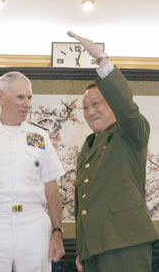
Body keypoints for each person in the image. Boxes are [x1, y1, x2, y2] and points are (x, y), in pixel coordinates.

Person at [67, 31, 159, 272]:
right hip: (94, 251)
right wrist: (82, 249)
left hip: (125, 244)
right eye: (85, 107)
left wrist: (102, 60)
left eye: (96, 103)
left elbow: (127, 107)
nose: (89, 112)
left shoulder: (130, 133)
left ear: (111, 102)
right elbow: (83, 203)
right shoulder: (87, 148)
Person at [0, 71, 65, 272]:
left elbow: (51, 187)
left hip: (33, 225)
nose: (27, 103)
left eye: (29, 97)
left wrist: (57, 231)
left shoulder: (40, 136)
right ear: (1, 97)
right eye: (20, 97)